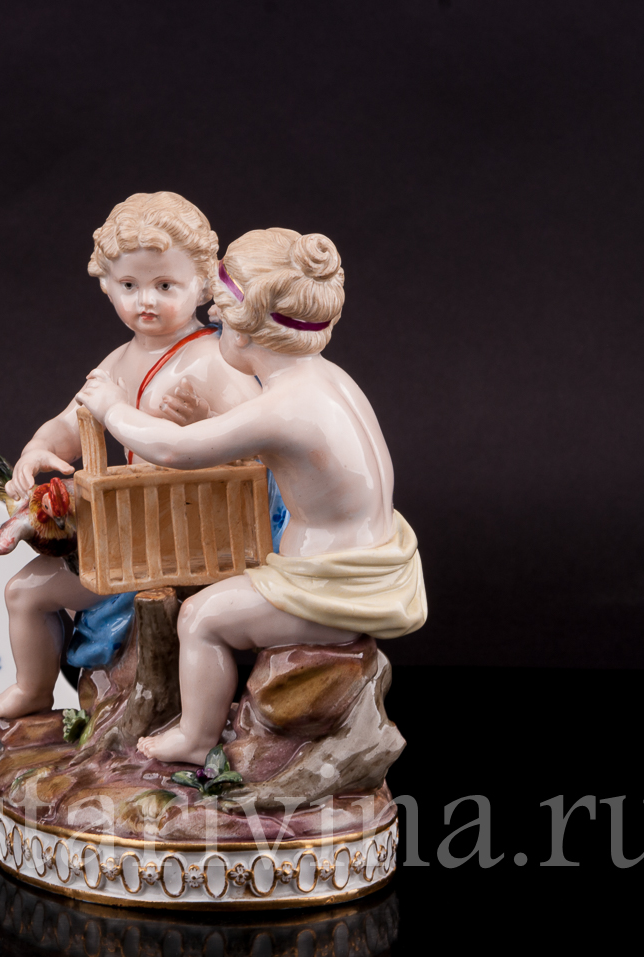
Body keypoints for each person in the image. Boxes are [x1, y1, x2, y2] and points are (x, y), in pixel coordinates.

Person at [77, 227, 427, 764]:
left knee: (200, 618)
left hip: (334, 587)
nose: (213, 326)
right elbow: (260, 448)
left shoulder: (283, 405)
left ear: (241, 333)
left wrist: (111, 408)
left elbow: (172, 449)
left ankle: (194, 739)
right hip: (376, 563)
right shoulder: (329, 379)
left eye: (218, 320)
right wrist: (206, 417)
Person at [0, 192, 262, 719]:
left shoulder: (213, 360)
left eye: (165, 285)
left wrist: (203, 421)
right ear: (107, 284)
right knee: (24, 592)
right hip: (132, 529)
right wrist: (38, 448)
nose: (145, 300)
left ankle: (189, 717)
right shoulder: (117, 362)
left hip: (198, 533)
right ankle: (33, 689)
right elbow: (70, 423)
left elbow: (261, 439)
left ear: (203, 283)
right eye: (129, 285)